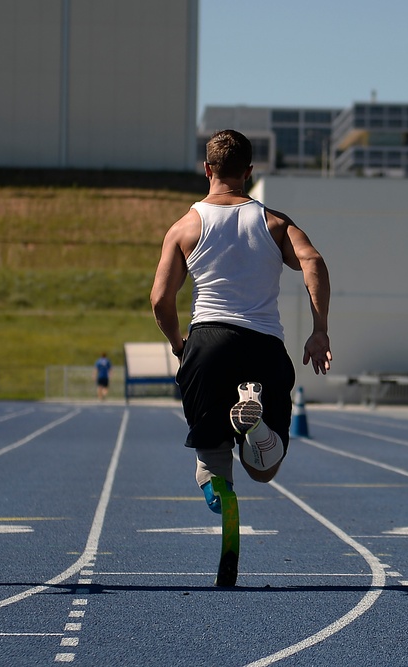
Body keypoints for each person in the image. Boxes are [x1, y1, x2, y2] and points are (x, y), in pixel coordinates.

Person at [150, 129, 331, 513]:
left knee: (211, 448)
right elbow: (313, 261)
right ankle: (256, 427)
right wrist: (319, 330)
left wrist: (179, 346)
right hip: (263, 345)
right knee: (264, 470)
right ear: (248, 171)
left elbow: (160, 300)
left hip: (208, 342)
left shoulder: (184, 227)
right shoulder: (274, 223)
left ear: (206, 169)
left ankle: (215, 478)